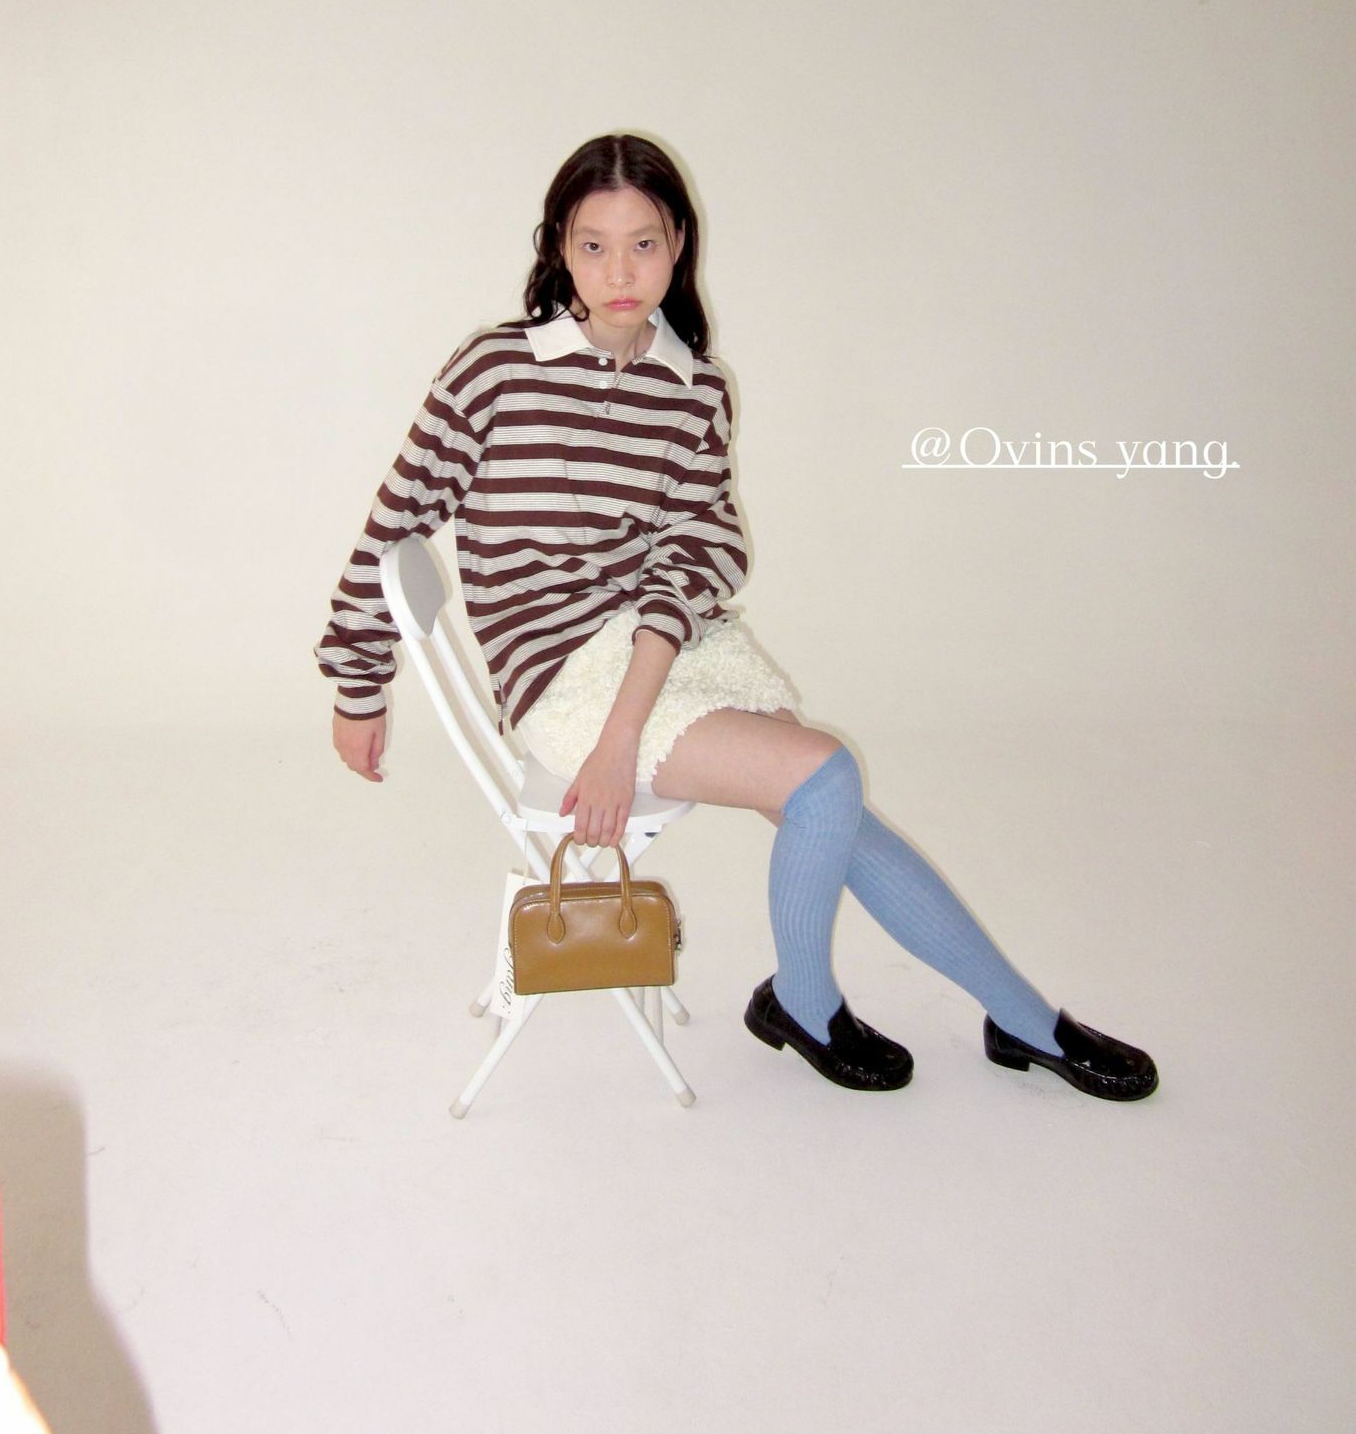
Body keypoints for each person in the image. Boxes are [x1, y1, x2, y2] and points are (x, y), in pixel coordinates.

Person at [315, 133, 1159, 1099]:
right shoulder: (495, 370)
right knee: (824, 778)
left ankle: (1018, 1020)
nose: (619, 274)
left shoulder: (694, 388)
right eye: (592, 246)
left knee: (825, 797)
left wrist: (632, 721)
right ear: (557, 249)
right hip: (561, 677)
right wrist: (358, 684)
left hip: (661, 648)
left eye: (643, 244)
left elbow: (699, 554)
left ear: (679, 243)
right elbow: (395, 521)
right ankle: (818, 1003)